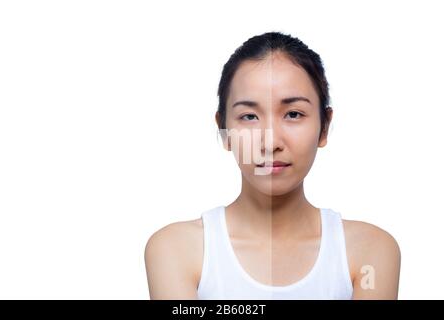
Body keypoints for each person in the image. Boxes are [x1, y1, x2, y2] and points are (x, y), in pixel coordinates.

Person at [144, 31, 401, 299]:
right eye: (250, 116)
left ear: (324, 127)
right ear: (224, 131)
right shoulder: (176, 249)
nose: (270, 142)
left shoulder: (371, 251)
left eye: (293, 114)